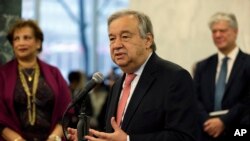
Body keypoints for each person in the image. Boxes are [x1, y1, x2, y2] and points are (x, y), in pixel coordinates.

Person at [67, 9, 198, 141]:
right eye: (112, 38)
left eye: (125, 37)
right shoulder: (117, 86)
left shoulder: (175, 78)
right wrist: (91, 138)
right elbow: (117, 134)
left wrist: (129, 140)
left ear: (147, 40)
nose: (116, 45)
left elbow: (184, 137)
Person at [0, 19, 72, 141]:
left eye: (26, 38)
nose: (21, 42)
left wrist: (54, 137)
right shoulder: (2, 74)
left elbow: (67, 111)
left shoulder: (54, 73)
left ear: (38, 43)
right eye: (16, 39)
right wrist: (17, 140)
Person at [193, 12, 250, 141]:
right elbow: (195, 99)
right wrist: (208, 123)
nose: (218, 35)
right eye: (214, 31)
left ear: (235, 32)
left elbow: (247, 100)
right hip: (207, 132)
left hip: (240, 130)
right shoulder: (202, 66)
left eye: (223, 31)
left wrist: (223, 121)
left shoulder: (247, 63)